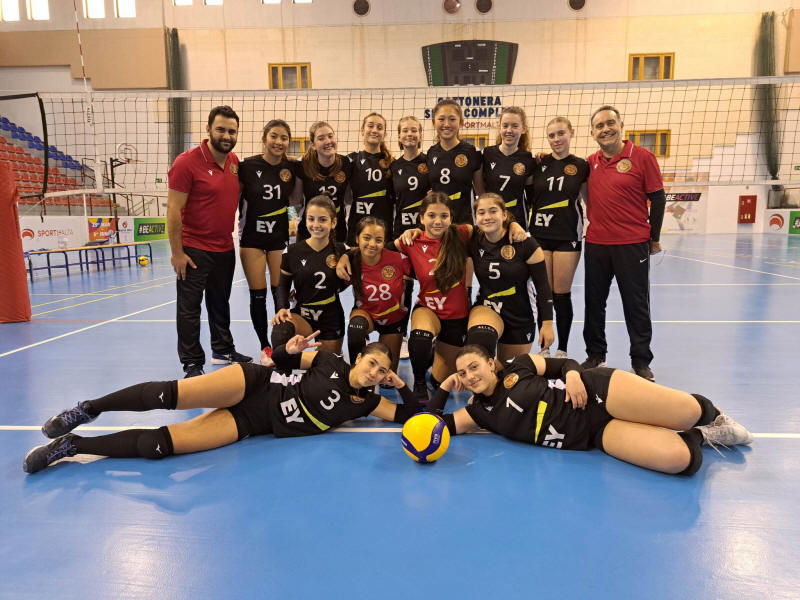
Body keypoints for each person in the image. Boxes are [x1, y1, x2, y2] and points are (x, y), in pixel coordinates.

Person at [23, 336, 423, 474]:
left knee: (161, 446)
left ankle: (72, 446)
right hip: (255, 384)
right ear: (359, 358)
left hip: (253, 422)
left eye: (382, 370)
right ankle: (89, 407)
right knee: (171, 395)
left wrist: (402, 386)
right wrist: (289, 348)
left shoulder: (366, 404)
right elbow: (280, 360)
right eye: (372, 363)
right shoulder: (329, 361)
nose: (374, 372)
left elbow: (411, 416)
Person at [427, 344, 752, 476]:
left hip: (599, 392)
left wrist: (572, 375)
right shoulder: (479, 413)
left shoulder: (519, 366)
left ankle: (713, 416)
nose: (470, 376)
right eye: (463, 374)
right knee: (681, 461)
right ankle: (702, 435)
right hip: (595, 433)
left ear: (489, 363)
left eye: (474, 367)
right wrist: (443, 387)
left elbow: (565, 363)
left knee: (687, 411)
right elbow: (434, 424)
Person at [167, 105, 252, 379]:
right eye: (221, 130)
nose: (227, 136)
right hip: (194, 249)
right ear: (208, 130)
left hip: (224, 248)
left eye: (232, 131)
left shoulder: (234, 162)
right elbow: (173, 210)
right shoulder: (186, 162)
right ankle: (192, 362)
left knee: (220, 303)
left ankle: (223, 349)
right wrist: (177, 253)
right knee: (189, 309)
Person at [583, 105, 666, 381]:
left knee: (636, 304)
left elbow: (658, 199)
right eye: (599, 126)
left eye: (610, 123)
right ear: (592, 133)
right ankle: (596, 354)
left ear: (621, 125)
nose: (605, 129)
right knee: (594, 303)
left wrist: (654, 238)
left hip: (632, 244)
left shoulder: (642, 157)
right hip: (596, 244)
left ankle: (641, 361)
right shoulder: (589, 163)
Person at [238, 119, 303, 365]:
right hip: (252, 239)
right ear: (264, 137)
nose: (278, 142)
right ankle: (264, 346)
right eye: (274, 136)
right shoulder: (246, 166)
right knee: (258, 295)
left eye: (284, 138)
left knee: (280, 294)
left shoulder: (291, 168)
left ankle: (280, 346)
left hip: (278, 238)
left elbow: (295, 201)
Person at [467, 193, 554, 363]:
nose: (487, 217)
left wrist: (547, 324)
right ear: (475, 217)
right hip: (487, 307)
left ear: (504, 215)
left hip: (520, 315)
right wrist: (416, 230)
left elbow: (543, 287)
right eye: (481, 213)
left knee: (508, 372)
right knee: (481, 341)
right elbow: (440, 231)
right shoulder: (473, 240)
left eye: (493, 211)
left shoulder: (526, 244)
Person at [528, 117, 589, 359]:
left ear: (571, 133)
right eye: (551, 135)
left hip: (567, 236)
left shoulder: (581, 166)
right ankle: (544, 348)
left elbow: (589, 201)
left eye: (561, 133)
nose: (556, 139)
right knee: (544, 294)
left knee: (561, 294)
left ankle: (562, 349)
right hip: (540, 235)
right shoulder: (538, 163)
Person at [271, 195, 347, 355]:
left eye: (322, 220)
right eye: (311, 219)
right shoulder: (292, 251)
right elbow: (283, 285)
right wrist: (282, 307)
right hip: (303, 315)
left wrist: (347, 257)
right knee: (281, 329)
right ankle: (283, 369)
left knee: (328, 364)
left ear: (333, 223)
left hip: (331, 318)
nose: (316, 225)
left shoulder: (342, 251)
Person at [342, 216, 410, 372]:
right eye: (366, 238)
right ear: (357, 238)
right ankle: (355, 372)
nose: (372, 244)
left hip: (394, 318)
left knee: (386, 375)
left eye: (378, 240)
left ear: (384, 241)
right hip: (366, 313)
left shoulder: (398, 259)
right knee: (356, 328)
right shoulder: (351, 262)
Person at [391, 115, 431, 359]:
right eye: (405, 130)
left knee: (431, 282)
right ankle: (403, 335)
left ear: (420, 135)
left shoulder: (429, 163)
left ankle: (432, 330)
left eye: (414, 130)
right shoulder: (393, 167)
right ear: (398, 136)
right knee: (403, 287)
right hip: (402, 235)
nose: (410, 134)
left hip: (426, 234)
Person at [294, 121, 351, 243]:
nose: (328, 141)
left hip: (337, 228)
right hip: (309, 229)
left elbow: (348, 199)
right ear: (313, 145)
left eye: (330, 136)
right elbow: (296, 200)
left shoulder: (346, 163)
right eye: (321, 138)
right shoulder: (302, 165)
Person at [346, 113, 395, 246]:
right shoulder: (351, 160)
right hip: (357, 228)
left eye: (379, 127)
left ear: (384, 133)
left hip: (383, 230)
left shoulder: (392, 163)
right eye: (370, 126)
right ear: (362, 130)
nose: (374, 130)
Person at [481, 106, 535, 228]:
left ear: (523, 129)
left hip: (517, 218)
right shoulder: (487, 154)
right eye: (505, 126)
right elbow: (479, 186)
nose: (509, 130)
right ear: (499, 127)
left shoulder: (528, 159)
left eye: (515, 126)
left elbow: (531, 194)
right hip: (490, 218)